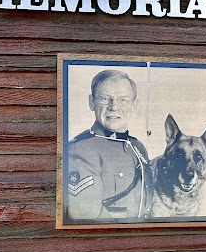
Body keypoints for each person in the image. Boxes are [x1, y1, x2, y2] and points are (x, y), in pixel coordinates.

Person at [65, 69, 153, 223]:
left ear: (134, 105)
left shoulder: (138, 147)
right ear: (91, 102)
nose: (114, 107)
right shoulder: (79, 150)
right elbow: (85, 216)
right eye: (105, 98)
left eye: (123, 100)